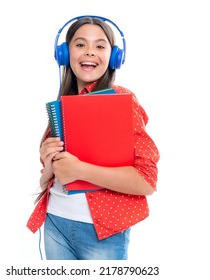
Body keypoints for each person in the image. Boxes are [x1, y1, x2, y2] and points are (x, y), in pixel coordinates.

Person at [26, 15, 160, 260]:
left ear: (114, 57)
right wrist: (48, 165)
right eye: (80, 44)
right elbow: (52, 178)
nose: (90, 52)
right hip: (55, 221)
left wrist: (80, 169)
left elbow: (146, 181)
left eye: (100, 46)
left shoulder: (122, 102)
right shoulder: (61, 104)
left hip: (102, 231)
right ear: (65, 54)